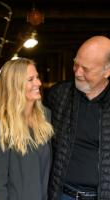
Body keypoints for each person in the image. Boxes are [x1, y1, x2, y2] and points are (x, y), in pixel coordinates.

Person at [46, 35, 110, 200]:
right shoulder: (58, 95)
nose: (78, 72)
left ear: (107, 71)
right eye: (76, 64)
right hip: (62, 194)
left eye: (86, 69)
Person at [0, 58, 54, 200]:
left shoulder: (45, 118)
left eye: (37, 77)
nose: (39, 83)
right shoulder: (0, 129)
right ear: (15, 85)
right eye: (31, 79)